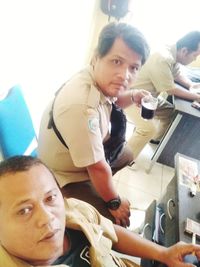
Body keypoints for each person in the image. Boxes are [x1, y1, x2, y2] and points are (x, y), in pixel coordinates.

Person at [38, 22, 150, 227]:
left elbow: (111, 102)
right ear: (97, 57)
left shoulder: (96, 78)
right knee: (113, 221)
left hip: (84, 158)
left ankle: (99, 187)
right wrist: (114, 201)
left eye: (134, 68)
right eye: (117, 61)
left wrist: (133, 96)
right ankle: (88, 198)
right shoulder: (81, 106)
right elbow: (97, 167)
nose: (125, 75)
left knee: (126, 154)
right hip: (63, 175)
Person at [1, 155, 200, 267]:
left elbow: (110, 232)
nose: (47, 217)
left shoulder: (74, 209)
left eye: (50, 198)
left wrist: (164, 253)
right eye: (24, 210)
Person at [125, 31, 200, 158]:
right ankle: (125, 158)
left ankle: (154, 139)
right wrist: (197, 97)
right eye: (195, 56)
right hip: (132, 96)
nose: (195, 59)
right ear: (185, 51)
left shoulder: (174, 53)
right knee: (147, 129)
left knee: (170, 112)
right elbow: (171, 90)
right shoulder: (163, 57)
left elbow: (176, 75)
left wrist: (191, 85)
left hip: (149, 98)